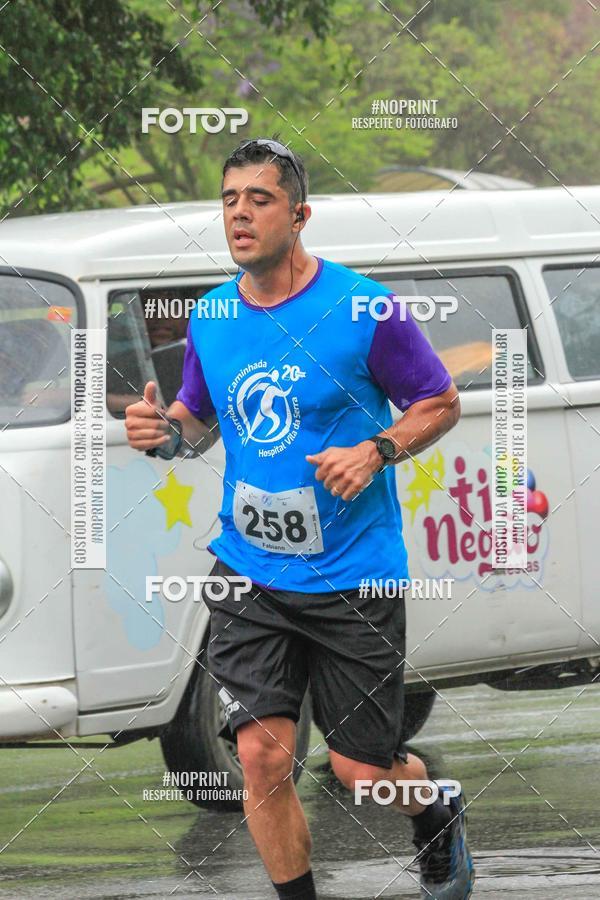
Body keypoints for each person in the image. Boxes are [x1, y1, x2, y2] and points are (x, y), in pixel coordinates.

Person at [125, 137, 474, 900]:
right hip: (252, 570)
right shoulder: (213, 315)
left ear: (300, 214)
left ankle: (434, 809)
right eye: (229, 200)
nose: (240, 214)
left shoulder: (363, 307)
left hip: (353, 575)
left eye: (260, 199)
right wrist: (166, 432)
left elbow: (440, 402)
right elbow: (198, 418)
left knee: (360, 772)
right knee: (261, 758)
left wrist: (377, 449)